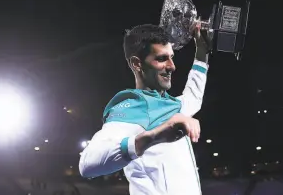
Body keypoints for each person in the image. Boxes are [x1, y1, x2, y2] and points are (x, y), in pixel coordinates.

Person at [79, 23, 210, 195]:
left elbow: (194, 95)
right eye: (162, 58)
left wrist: (202, 49)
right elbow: (87, 165)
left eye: (172, 57)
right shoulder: (134, 107)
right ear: (137, 64)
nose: (172, 66)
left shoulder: (171, 106)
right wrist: (153, 137)